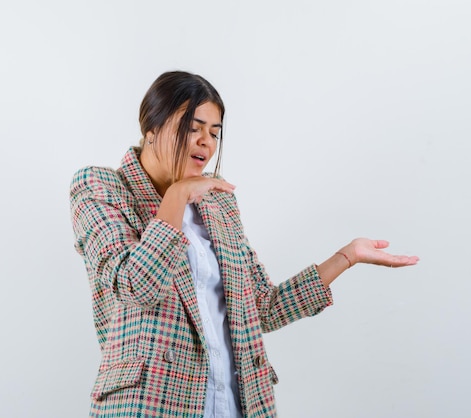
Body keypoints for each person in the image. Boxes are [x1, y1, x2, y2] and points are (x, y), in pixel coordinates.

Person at [69, 70, 419, 417]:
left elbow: (262, 307)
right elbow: (136, 286)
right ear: (152, 129)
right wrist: (176, 196)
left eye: (214, 132)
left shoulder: (217, 201)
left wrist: (346, 256)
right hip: (152, 405)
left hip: (234, 403)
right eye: (192, 128)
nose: (206, 141)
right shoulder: (99, 187)